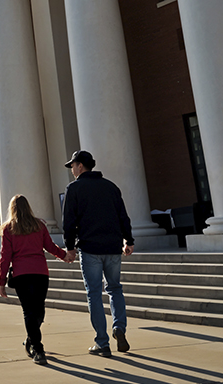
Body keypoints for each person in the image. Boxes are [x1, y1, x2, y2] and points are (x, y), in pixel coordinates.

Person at [61, 149, 134, 357]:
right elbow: (123, 217)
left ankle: (102, 342)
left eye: (73, 166)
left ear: (80, 166)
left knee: (94, 293)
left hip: (90, 248)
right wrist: (128, 241)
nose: (72, 170)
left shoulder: (74, 189)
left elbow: (69, 222)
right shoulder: (111, 187)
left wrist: (70, 247)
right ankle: (119, 328)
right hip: (112, 247)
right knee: (115, 289)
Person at [0, 194, 69, 366]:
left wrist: (1, 281)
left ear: (12, 209)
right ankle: (37, 345)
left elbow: (5, 257)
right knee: (39, 310)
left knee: (30, 311)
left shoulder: (9, 229)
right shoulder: (39, 225)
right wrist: (64, 255)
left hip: (22, 275)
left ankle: (34, 344)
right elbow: (50, 247)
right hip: (40, 273)